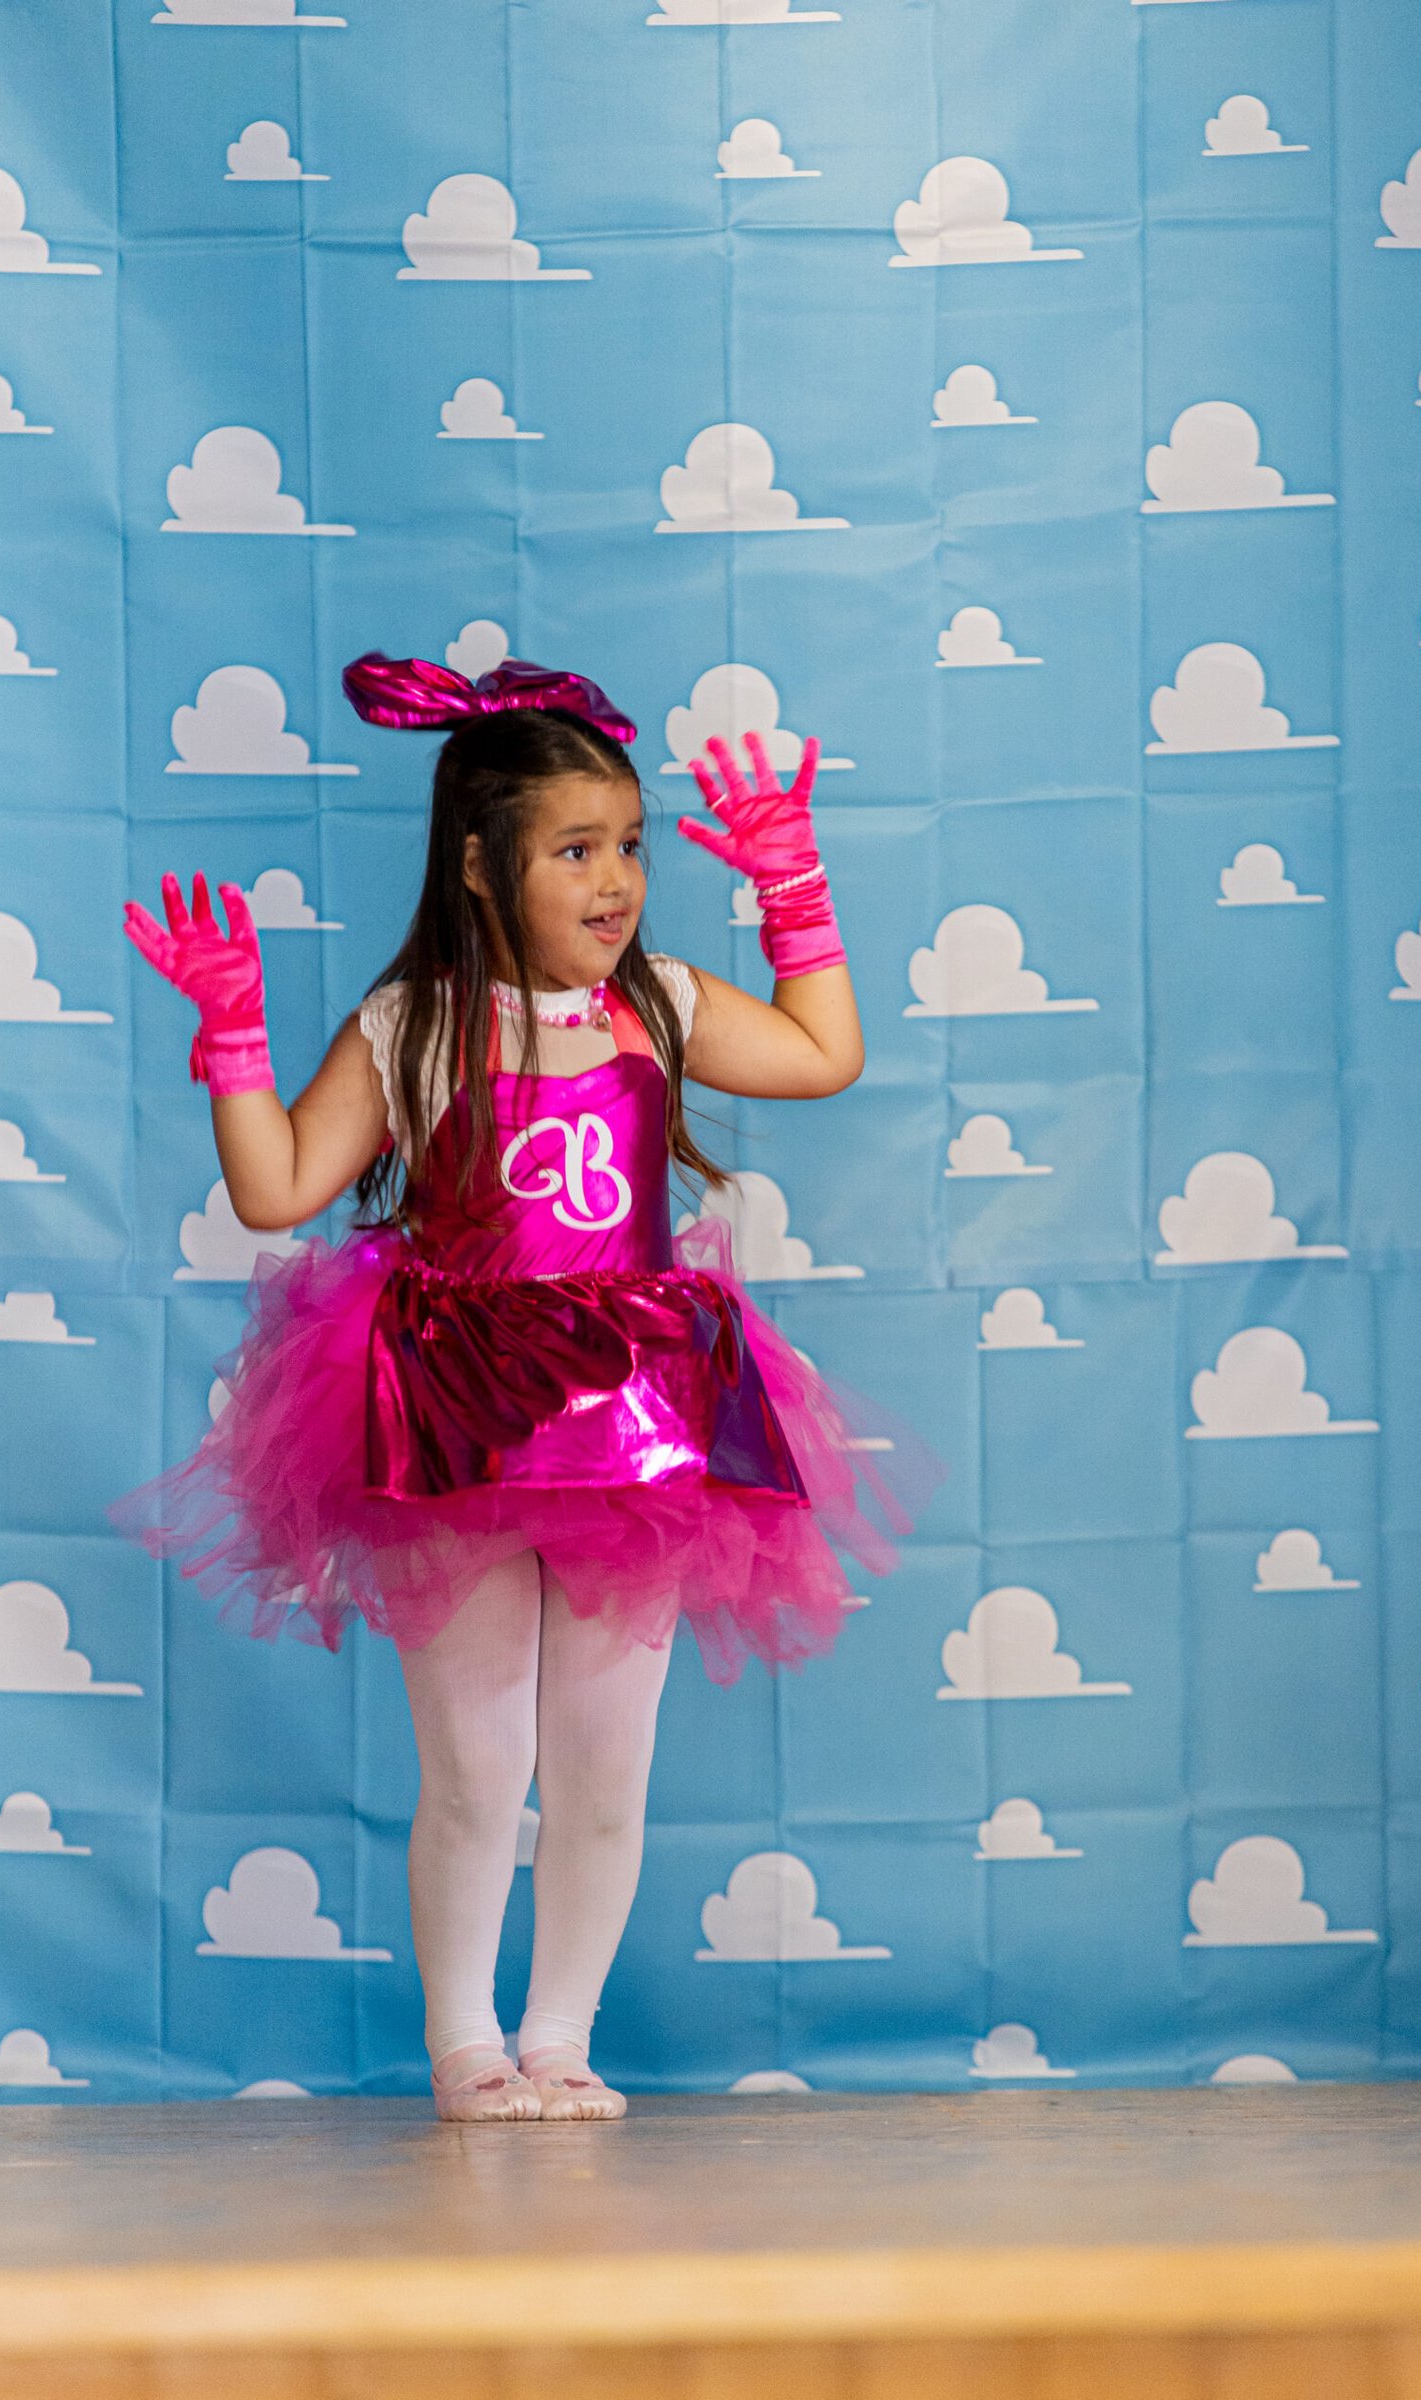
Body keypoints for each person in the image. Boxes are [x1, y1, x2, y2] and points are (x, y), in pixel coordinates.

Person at [108, 650, 938, 2125]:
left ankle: (560, 2038)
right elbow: (278, 1188)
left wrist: (792, 885)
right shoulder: (412, 1025)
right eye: (575, 851)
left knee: (606, 1767)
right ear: (483, 869)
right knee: (479, 1769)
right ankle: (467, 2047)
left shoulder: (658, 1002)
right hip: (458, 1417)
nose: (615, 881)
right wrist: (233, 1039)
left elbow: (824, 1054)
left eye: (628, 846)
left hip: (636, 1419)